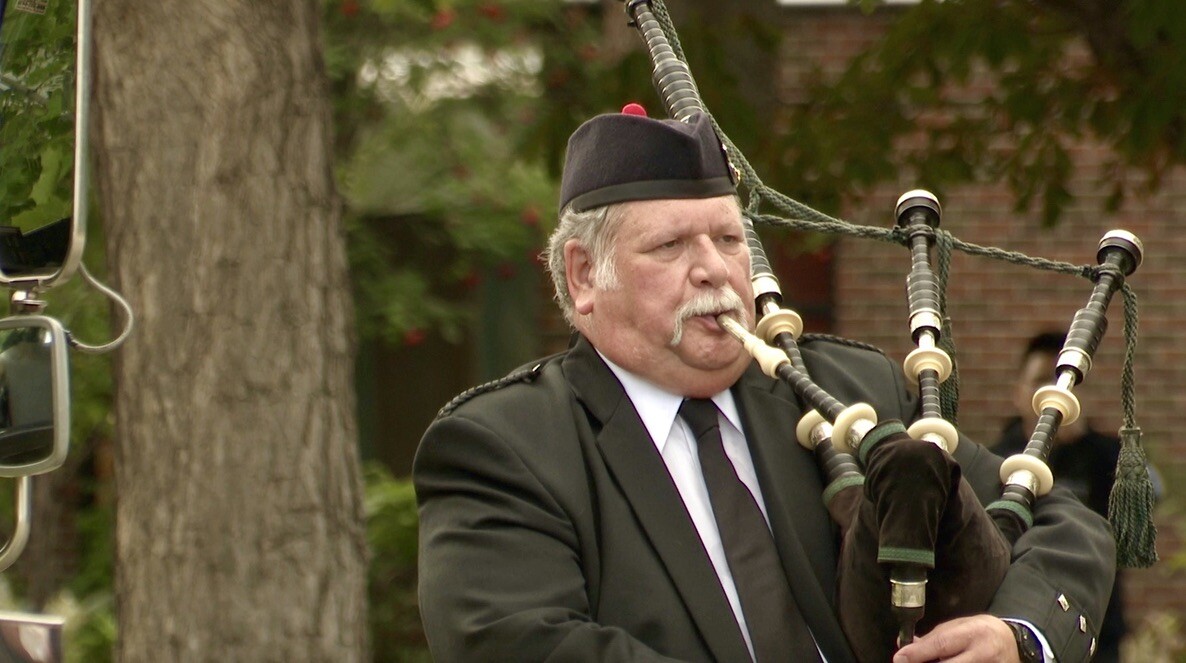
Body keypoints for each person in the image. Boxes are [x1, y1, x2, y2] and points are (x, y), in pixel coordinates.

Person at [414, 105, 1116, 662]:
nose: (715, 271)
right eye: (670, 245)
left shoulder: (844, 387)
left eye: (726, 240)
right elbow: (523, 643)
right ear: (581, 275)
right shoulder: (506, 446)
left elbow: (1055, 522)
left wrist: (1019, 637)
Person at [993, 331, 1139, 663]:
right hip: (1017, 624)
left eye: (1061, 381)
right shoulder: (997, 461)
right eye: (1040, 380)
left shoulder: (1107, 457)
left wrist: (1079, 443)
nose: (1051, 392)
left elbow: (1146, 503)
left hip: (1096, 629)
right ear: (1019, 393)